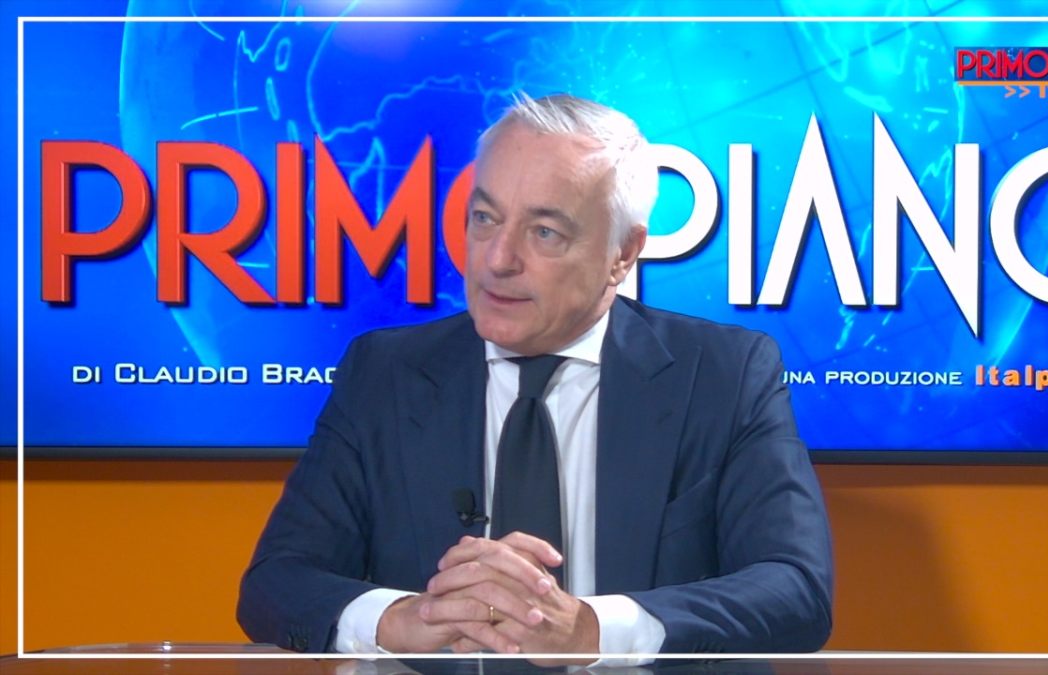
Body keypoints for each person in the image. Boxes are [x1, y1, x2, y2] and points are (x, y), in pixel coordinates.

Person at [237, 93, 833, 665]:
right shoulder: (383, 374)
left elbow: (796, 589)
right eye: (484, 218)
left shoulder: (724, 374)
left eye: (545, 231)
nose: (497, 259)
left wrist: (594, 631)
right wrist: (400, 619)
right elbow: (276, 583)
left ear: (623, 254)